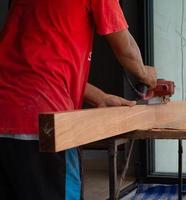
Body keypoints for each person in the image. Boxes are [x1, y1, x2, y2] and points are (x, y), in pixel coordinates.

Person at [0, 0, 157, 199]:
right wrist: (146, 75)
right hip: (44, 124)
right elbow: (125, 49)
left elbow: (37, 67)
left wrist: (100, 97)